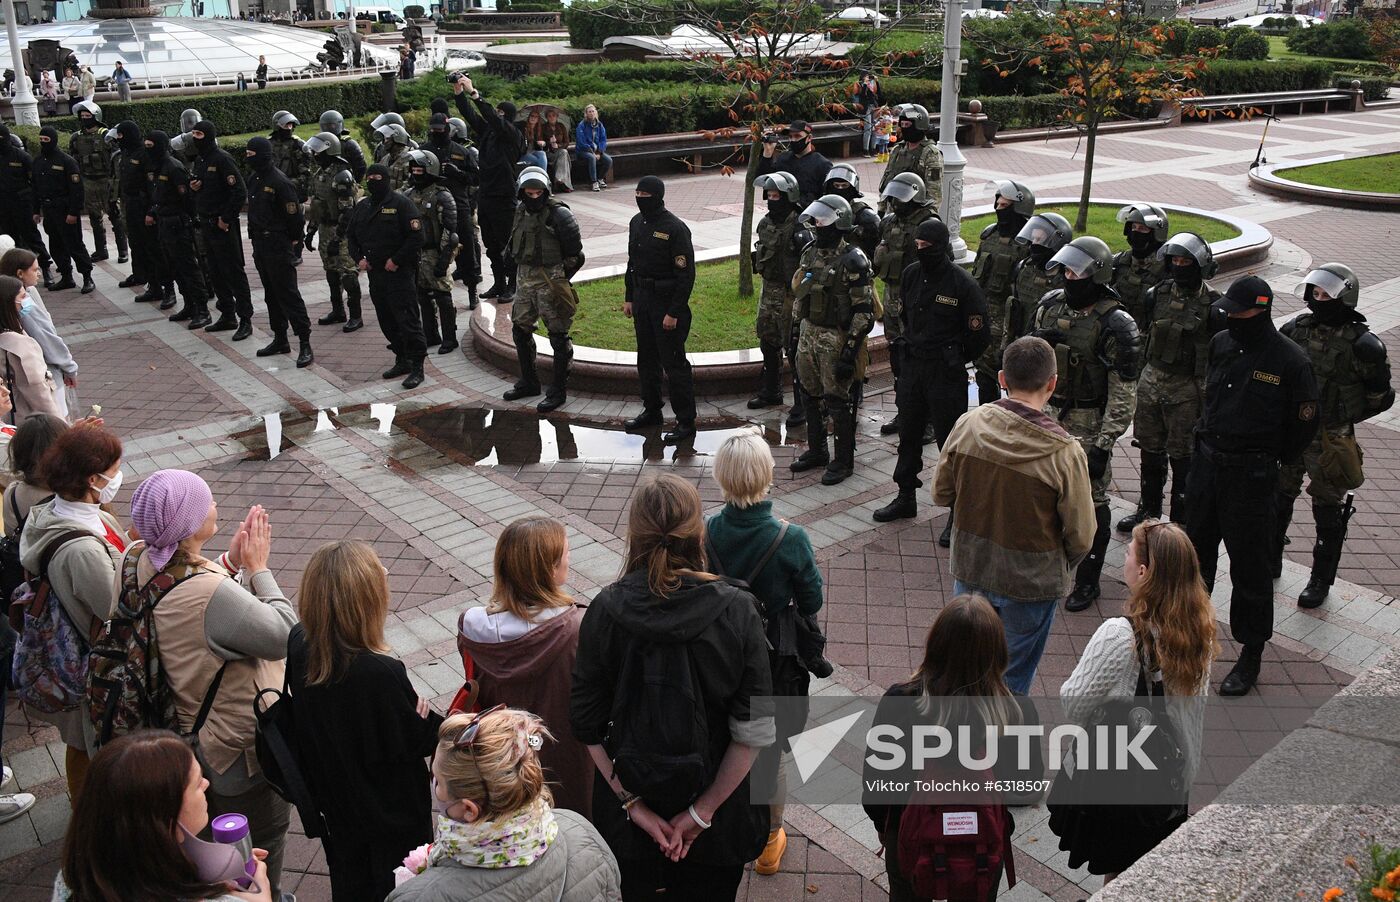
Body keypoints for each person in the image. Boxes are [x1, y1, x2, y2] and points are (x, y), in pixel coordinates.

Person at [570, 474, 774, 901]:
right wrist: (701, 815)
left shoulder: (604, 611)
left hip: (632, 820)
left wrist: (634, 806)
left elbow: (587, 727)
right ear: (698, 531)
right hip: (718, 818)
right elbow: (753, 730)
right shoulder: (738, 611)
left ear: (634, 534)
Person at [127, 469, 297, 891]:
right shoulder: (208, 595)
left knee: (204, 844)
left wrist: (229, 562)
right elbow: (285, 635)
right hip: (233, 750)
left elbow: (198, 611)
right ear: (185, 524)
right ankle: (261, 896)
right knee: (259, 840)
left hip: (185, 733)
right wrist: (258, 570)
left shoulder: (135, 558)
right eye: (205, 502)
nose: (214, 505)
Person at [1050, 520, 1216, 881]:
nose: (1122, 558)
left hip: (1116, 782)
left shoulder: (1120, 635)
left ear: (1143, 572)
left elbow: (1073, 704)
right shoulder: (1198, 633)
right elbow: (1192, 715)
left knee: (1117, 869)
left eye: (1127, 553)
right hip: (1166, 779)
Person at [932, 337, 1096, 694]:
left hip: (972, 568)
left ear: (1003, 377)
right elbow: (1082, 535)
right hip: (1031, 584)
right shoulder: (1065, 453)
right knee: (1012, 681)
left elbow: (941, 493)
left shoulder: (969, 425)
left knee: (966, 669)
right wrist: (1062, 565)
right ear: (1053, 383)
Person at [287, 540, 442, 902]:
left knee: (349, 879)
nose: (386, 578)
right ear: (365, 600)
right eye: (380, 575)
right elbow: (419, 737)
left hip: (335, 800)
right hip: (389, 811)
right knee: (399, 885)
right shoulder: (380, 672)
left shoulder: (299, 642)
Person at [1186, 276, 1317, 697]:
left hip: (1251, 476)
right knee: (1195, 558)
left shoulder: (1290, 361)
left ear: (1260, 309)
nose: (1227, 314)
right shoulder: (1222, 342)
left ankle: (1250, 653)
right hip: (1208, 467)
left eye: (1236, 309)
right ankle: (1190, 633)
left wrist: (1266, 458)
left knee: (1250, 569)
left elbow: (1302, 428)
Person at [863, 595, 1043, 901]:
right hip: (983, 840)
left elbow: (876, 787)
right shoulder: (1017, 711)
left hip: (910, 831)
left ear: (935, 645)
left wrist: (887, 828)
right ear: (998, 651)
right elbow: (1025, 787)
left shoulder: (901, 702)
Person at [705, 430, 824, 876]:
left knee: (724, 740)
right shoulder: (790, 538)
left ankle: (718, 817)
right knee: (770, 754)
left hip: (719, 656)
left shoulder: (706, 530)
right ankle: (770, 841)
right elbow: (811, 601)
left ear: (721, 476)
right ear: (767, 476)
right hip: (773, 661)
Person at [386, 708, 622, 901]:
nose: (433, 784)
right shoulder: (580, 829)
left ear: (469, 810)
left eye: (437, 781)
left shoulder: (419, 897)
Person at [1033, 236, 1142, 613]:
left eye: (1077, 271)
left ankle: (1088, 580)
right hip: (1049, 415)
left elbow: (1124, 393)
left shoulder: (1116, 324)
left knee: (1092, 501)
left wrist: (1105, 444)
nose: (1069, 277)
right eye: (1065, 269)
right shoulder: (1049, 307)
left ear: (1097, 275)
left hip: (1089, 421)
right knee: (1045, 493)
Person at [1275, 264, 1393, 608]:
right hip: (1293, 429)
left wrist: (1343, 418)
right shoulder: (1295, 329)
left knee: (1327, 509)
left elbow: (1380, 397)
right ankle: (1271, 558)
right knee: (1279, 495)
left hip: (1329, 437)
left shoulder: (1363, 344)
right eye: (1315, 293)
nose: (1319, 299)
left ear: (1346, 297)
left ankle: (1320, 579)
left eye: (1327, 294)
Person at [457, 516, 591, 816]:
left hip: (502, 762)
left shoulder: (471, 625)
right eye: (566, 554)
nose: (570, 559)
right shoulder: (580, 627)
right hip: (568, 760)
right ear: (551, 569)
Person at [19, 425, 126, 798]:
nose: (118, 478)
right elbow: (116, 606)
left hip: (79, 649)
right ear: (94, 479)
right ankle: (88, 823)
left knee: (82, 741)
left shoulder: (57, 509)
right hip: (90, 657)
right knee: (88, 743)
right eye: (114, 471)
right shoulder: (81, 549)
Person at [54, 730, 273, 902]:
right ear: (167, 819)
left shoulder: (73, 879)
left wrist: (204, 870)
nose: (206, 784)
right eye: (197, 783)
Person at [873, 218, 989, 534]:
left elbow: (980, 334)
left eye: (927, 247)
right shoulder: (911, 275)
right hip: (913, 369)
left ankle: (957, 509)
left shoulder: (962, 284)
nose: (921, 251)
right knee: (908, 434)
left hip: (945, 373)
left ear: (941, 248)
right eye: (918, 246)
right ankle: (905, 496)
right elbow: (907, 318)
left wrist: (956, 356)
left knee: (950, 442)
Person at [1116, 232, 1221, 533]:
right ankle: (1148, 510)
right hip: (1151, 381)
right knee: (1150, 448)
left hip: (1187, 390)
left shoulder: (1214, 306)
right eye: (1174, 260)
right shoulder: (1156, 294)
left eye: (1185, 261)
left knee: (1183, 455)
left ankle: (1180, 520)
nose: (1178, 266)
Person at [787, 194, 876, 486]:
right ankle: (817, 451)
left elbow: (865, 312)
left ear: (840, 222)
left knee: (838, 400)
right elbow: (801, 293)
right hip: (810, 334)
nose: (816, 225)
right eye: (815, 220)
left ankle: (843, 461)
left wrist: (849, 352)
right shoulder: (810, 251)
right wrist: (796, 329)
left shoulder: (854, 259)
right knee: (809, 395)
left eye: (823, 220)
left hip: (836, 338)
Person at [622, 176, 697, 444]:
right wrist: (629, 297)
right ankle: (652, 410)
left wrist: (674, 312)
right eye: (637, 192)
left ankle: (686, 421)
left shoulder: (675, 228)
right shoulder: (636, 223)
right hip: (643, 301)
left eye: (645, 194)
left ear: (657, 196)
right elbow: (632, 263)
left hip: (666, 306)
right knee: (647, 360)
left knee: (674, 365)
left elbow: (686, 275)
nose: (640, 197)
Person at [874, 172, 940, 440]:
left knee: (921, 363)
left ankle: (929, 420)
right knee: (898, 360)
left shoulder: (929, 225)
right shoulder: (889, 223)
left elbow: (939, 269)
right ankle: (905, 413)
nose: (895, 203)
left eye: (901, 197)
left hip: (918, 303)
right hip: (892, 299)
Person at [348, 163, 427, 389]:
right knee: (386, 320)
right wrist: (358, 259)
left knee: (408, 320)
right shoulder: (363, 207)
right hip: (376, 275)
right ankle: (401, 358)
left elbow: (416, 237)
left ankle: (417, 366)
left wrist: (397, 260)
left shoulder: (401, 204)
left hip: (399, 274)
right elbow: (351, 236)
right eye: (370, 177)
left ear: (387, 179)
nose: (373, 181)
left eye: (378, 177)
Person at [453, 75, 525, 300]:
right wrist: (459, 93)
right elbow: (472, 116)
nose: (497, 113)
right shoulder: (490, 133)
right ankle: (499, 283)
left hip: (504, 196)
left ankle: (512, 284)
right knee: (491, 245)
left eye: (501, 112)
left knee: (506, 243)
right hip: (486, 194)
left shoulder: (513, 135)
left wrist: (475, 93)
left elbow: (492, 118)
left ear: (507, 117)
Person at [244, 137, 313, 368]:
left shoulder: (280, 182)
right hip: (261, 246)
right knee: (271, 295)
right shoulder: (254, 179)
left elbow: (294, 217)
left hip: (278, 245)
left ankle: (304, 343)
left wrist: (295, 242)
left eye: (252, 155)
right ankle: (280, 338)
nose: (248, 158)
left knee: (288, 295)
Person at [747, 172, 809, 425]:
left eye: (777, 196)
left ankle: (801, 403)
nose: (772, 201)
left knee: (793, 348)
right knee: (767, 341)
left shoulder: (800, 228)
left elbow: (808, 268)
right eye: (769, 196)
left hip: (790, 296)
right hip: (768, 290)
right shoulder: (765, 224)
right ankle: (771, 391)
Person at [188, 121, 254, 342]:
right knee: (215, 272)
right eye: (193, 133)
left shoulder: (222, 159)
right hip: (206, 224)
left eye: (199, 134)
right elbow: (201, 186)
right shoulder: (201, 160)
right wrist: (194, 187)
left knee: (234, 272)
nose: (195, 137)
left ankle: (245, 319)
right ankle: (227, 315)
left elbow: (239, 191)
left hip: (222, 225)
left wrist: (226, 219)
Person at [972, 180, 1034, 405]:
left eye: (1005, 205)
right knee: (984, 374)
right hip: (986, 317)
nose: (999, 208)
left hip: (1012, 321)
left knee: (1015, 378)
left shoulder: (1028, 243)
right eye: (997, 203)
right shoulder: (989, 237)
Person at [145, 130, 213, 330]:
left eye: (151, 146)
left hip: (178, 225)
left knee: (189, 269)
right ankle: (189, 305)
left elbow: (187, 199)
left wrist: (189, 220)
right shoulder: (158, 166)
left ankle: (202, 310)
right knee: (175, 267)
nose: (148, 150)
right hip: (165, 224)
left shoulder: (174, 168)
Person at [1, 249, 78, 418]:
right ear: (20, 273)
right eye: (35, 270)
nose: (39, 274)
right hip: (44, 381)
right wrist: (69, 367)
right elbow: (46, 337)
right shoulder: (25, 304)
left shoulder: (18, 294)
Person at [305, 132, 364, 336]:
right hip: (324, 228)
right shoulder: (319, 173)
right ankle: (338, 311)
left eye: (318, 150)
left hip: (342, 231)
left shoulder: (342, 176)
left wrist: (338, 239)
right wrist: (311, 231)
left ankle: (356, 315)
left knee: (348, 273)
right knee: (331, 271)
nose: (314, 154)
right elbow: (317, 205)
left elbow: (348, 211)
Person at [405, 150, 461, 357]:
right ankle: (431, 334)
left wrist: (444, 260)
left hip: (436, 253)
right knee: (422, 295)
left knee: (443, 296)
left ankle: (450, 337)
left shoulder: (442, 195)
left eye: (420, 169)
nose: (416, 173)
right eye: (414, 169)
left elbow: (450, 231)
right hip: (417, 254)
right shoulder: (409, 194)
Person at [422, 112, 478, 310]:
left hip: (459, 204)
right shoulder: (424, 151)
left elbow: (475, 177)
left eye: (440, 129)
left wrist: (457, 173)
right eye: (434, 130)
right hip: (432, 208)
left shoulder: (461, 151)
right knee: (432, 249)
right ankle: (432, 292)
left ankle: (472, 290)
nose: (437, 133)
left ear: (447, 129)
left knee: (467, 249)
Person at [32, 127, 95, 294]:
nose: (43, 143)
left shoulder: (66, 161)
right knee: (56, 245)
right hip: (49, 210)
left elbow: (76, 190)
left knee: (75, 244)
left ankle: (87, 277)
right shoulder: (38, 161)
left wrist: (74, 212)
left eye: (47, 140)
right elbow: (35, 189)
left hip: (65, 210)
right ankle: (66, 276)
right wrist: (36, 210)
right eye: (42, 139)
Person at [1001, 212, 1071, 351]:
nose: (1033, 244)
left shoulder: (1068, 277)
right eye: (1032, 239)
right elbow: (1013, 308)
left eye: (1039, 240)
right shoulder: (1023, 268)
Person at [69, 101, 127, 264]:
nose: (85, 119)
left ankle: (123, 250)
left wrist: (115, 182)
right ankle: (101, 250)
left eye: (88, 116)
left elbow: (116, 159)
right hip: (88, 180)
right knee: (95, 217)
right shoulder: (76, 137)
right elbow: (74, 159)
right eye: (82, 116)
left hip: (105, 180)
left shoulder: (106, 135)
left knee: (115, 216)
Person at [0, 275, 63, 420]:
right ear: (8, 303)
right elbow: (38, 391)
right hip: (27, 420)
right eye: (22, 297)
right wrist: (60, 425)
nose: (27, 301)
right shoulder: (20, 345)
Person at [0, 125, 54, 287]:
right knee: (10, 242)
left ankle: (45, 267)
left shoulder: (21, 157)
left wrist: (33, 204)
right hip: (3, 207)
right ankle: (16, 276)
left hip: (22, 205)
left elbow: (35, 182)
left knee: (32, 238)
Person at [1110, 202, 1170, 333]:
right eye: (1134, 227)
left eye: (1143, 229)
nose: (1136, 233)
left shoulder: (1169, 270)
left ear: (1156, 233)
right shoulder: (1120, 261)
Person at [115, 121, 158, 299]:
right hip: (130, 203)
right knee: (135, 242)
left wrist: (151, 210)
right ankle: (139, 274)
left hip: (143, 205)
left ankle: (157, 285)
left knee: (150, 245)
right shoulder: (125, 153)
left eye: (121, 135)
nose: (118, 139)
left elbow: (151, 186)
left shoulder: (143, 154)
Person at [878, 103, 943, 212]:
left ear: (919, 125)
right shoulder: (897, 150)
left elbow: (934, 194)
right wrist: (881, 211)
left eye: (907, 125)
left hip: (915, 215)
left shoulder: (931, 154)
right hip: (893, 213)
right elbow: (887, 181)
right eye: (902, 124)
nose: (904, 128)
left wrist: (926, 218)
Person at [756, 120, 832, 208]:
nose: (793, 140)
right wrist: (767, 153)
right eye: (790, 136)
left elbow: (827, 197)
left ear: (809, 138)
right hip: (782, 214)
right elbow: (763, 181)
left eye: (797, 136)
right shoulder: (783, 159)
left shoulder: (822, 165)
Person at [822, 164, 881, 260]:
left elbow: (874, 253)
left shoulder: (865, 216)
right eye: (836, 186)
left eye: (844, 186)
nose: (840, 189)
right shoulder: (822, 212)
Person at [319, 109, 367, 181]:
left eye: (332, 125)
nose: (328, 128)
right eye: (325, 126)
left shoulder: (349, 144)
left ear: (339, 125)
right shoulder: (320, 144)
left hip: (347, 182)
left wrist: (354, 182)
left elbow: (361, 167)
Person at [575, 104, 612, 192]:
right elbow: (581, 142)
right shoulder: (582, 125)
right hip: (583, 151)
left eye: (593, 111)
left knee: (608, 160)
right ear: (586, 114)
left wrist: (599, 152)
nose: (591, 113)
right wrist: (592, 152)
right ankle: (594, 182)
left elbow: (603, 140)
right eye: (589, 112)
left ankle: (600, 178)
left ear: (596, 112)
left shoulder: (599, 125)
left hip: (597, 151)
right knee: (592, 158)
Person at [541, 108, 573, 192]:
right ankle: (563, 183)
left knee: (563, 152)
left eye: (554, 116)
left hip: (559, 152)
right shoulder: (543, 127)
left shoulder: (561, 126)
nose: (552, 118)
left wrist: (558, 145)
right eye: (549, 116)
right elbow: (540, 143)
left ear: (557, 117)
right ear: (546, 118)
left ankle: (559, 180)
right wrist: (549, 143)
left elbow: (566, 142)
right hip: (548, 153)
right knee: (564, 155)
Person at [854, 74, 881, 155]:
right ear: (862, 77)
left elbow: (879, 93)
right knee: (868, 129)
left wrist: (877, 82)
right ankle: (865, 150)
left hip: (874, 107)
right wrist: (865, 84)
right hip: (866, 109)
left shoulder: (872, 84)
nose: (868, 78)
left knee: (875, 129)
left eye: (869, 77)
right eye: (866, 76)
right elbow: (862, 95)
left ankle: (873, 148)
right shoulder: (859, 85)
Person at [521, 108, 551, 172]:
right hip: (523, 153)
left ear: (538, 119)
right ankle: (544, 176)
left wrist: (543, 143)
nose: (533, 118)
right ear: (529, 117)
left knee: (542, 153)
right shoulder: (523, 127)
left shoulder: (539, 130)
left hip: (534, 152)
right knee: (538, 161)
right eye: (532, 116)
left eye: (536, 117)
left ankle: (543, 175)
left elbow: (546, 146)